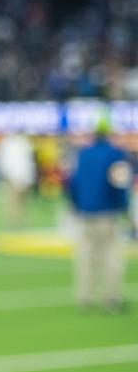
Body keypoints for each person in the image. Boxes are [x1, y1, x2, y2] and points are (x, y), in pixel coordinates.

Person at [66, 117, 132, 313]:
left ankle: (84, 296)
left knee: (86, 255)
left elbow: (74, 182)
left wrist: (77, 205)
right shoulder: (115, 154)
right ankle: (111, 297)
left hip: (86, 211)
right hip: (107, 212)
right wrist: (124, 207)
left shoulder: (83, 154)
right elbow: (119, 183)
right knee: (111, 255)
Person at [0, 133, 36, 228]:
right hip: (12, 175)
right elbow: (0, 159)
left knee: (23, 200)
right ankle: (13, 220)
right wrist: (6, 173)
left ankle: (22, 218)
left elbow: (29, 159)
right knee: (13, 200)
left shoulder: (24, 141)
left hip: (24, 175)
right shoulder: (5, 142)